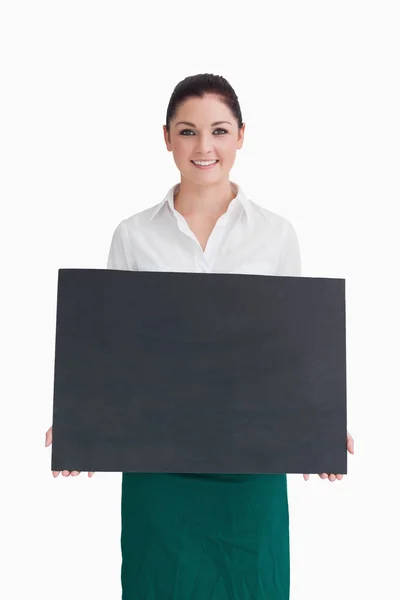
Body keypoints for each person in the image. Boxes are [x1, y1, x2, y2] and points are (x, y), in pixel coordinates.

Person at [45, 73, 355, 600]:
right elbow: (112, 350)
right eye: (188, 132)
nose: (204, 147)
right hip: (159, 468)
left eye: (219, 130)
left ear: (240, 136)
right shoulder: (133, 235)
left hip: (250, 469)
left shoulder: (276, 234)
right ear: (166, 138)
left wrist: (320, 425)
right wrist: (80, 422)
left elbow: (292, 349)